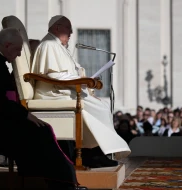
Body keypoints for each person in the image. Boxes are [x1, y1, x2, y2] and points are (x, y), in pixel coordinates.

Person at [0, 28, 87, 190]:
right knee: (41, 132)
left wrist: (24, 115)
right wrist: (26, 115)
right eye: (17, 50)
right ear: (8, 45)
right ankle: (63, 185)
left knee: (43, 131)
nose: (18, 55)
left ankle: (62, 183)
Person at [31, 15, 131, 167]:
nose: (71, 33)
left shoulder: (58, 46)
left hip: (63, 90)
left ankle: (96, 152)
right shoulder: (49, 44)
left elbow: (68, 72)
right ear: (57, 28)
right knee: (100, 108)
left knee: (101, 105)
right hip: (53, 94)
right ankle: (94, 154)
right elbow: (53, 75)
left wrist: (83, 81)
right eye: (68, 29)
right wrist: (82, 82)